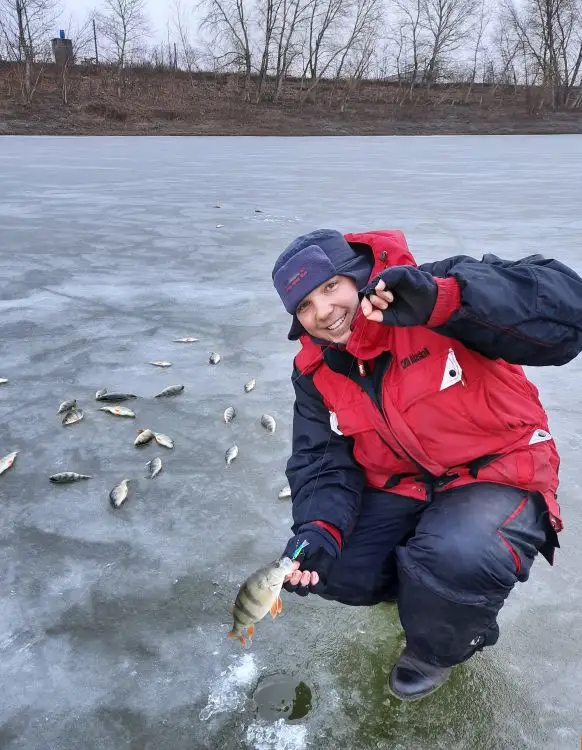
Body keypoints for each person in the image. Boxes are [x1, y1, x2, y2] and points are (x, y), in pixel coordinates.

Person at [271, 228, 582, 701]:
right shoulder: (316, 369)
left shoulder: (433, 290)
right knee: (331, 564)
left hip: (498, 470)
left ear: (358, 276)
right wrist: (318, 527)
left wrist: (449, 301)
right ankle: (423, 592)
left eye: (330, 288)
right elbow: (320, 458)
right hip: (407, 485)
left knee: (459, 554)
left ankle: (439, 644)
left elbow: (568, 314)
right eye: (305, 306)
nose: (323, 313)